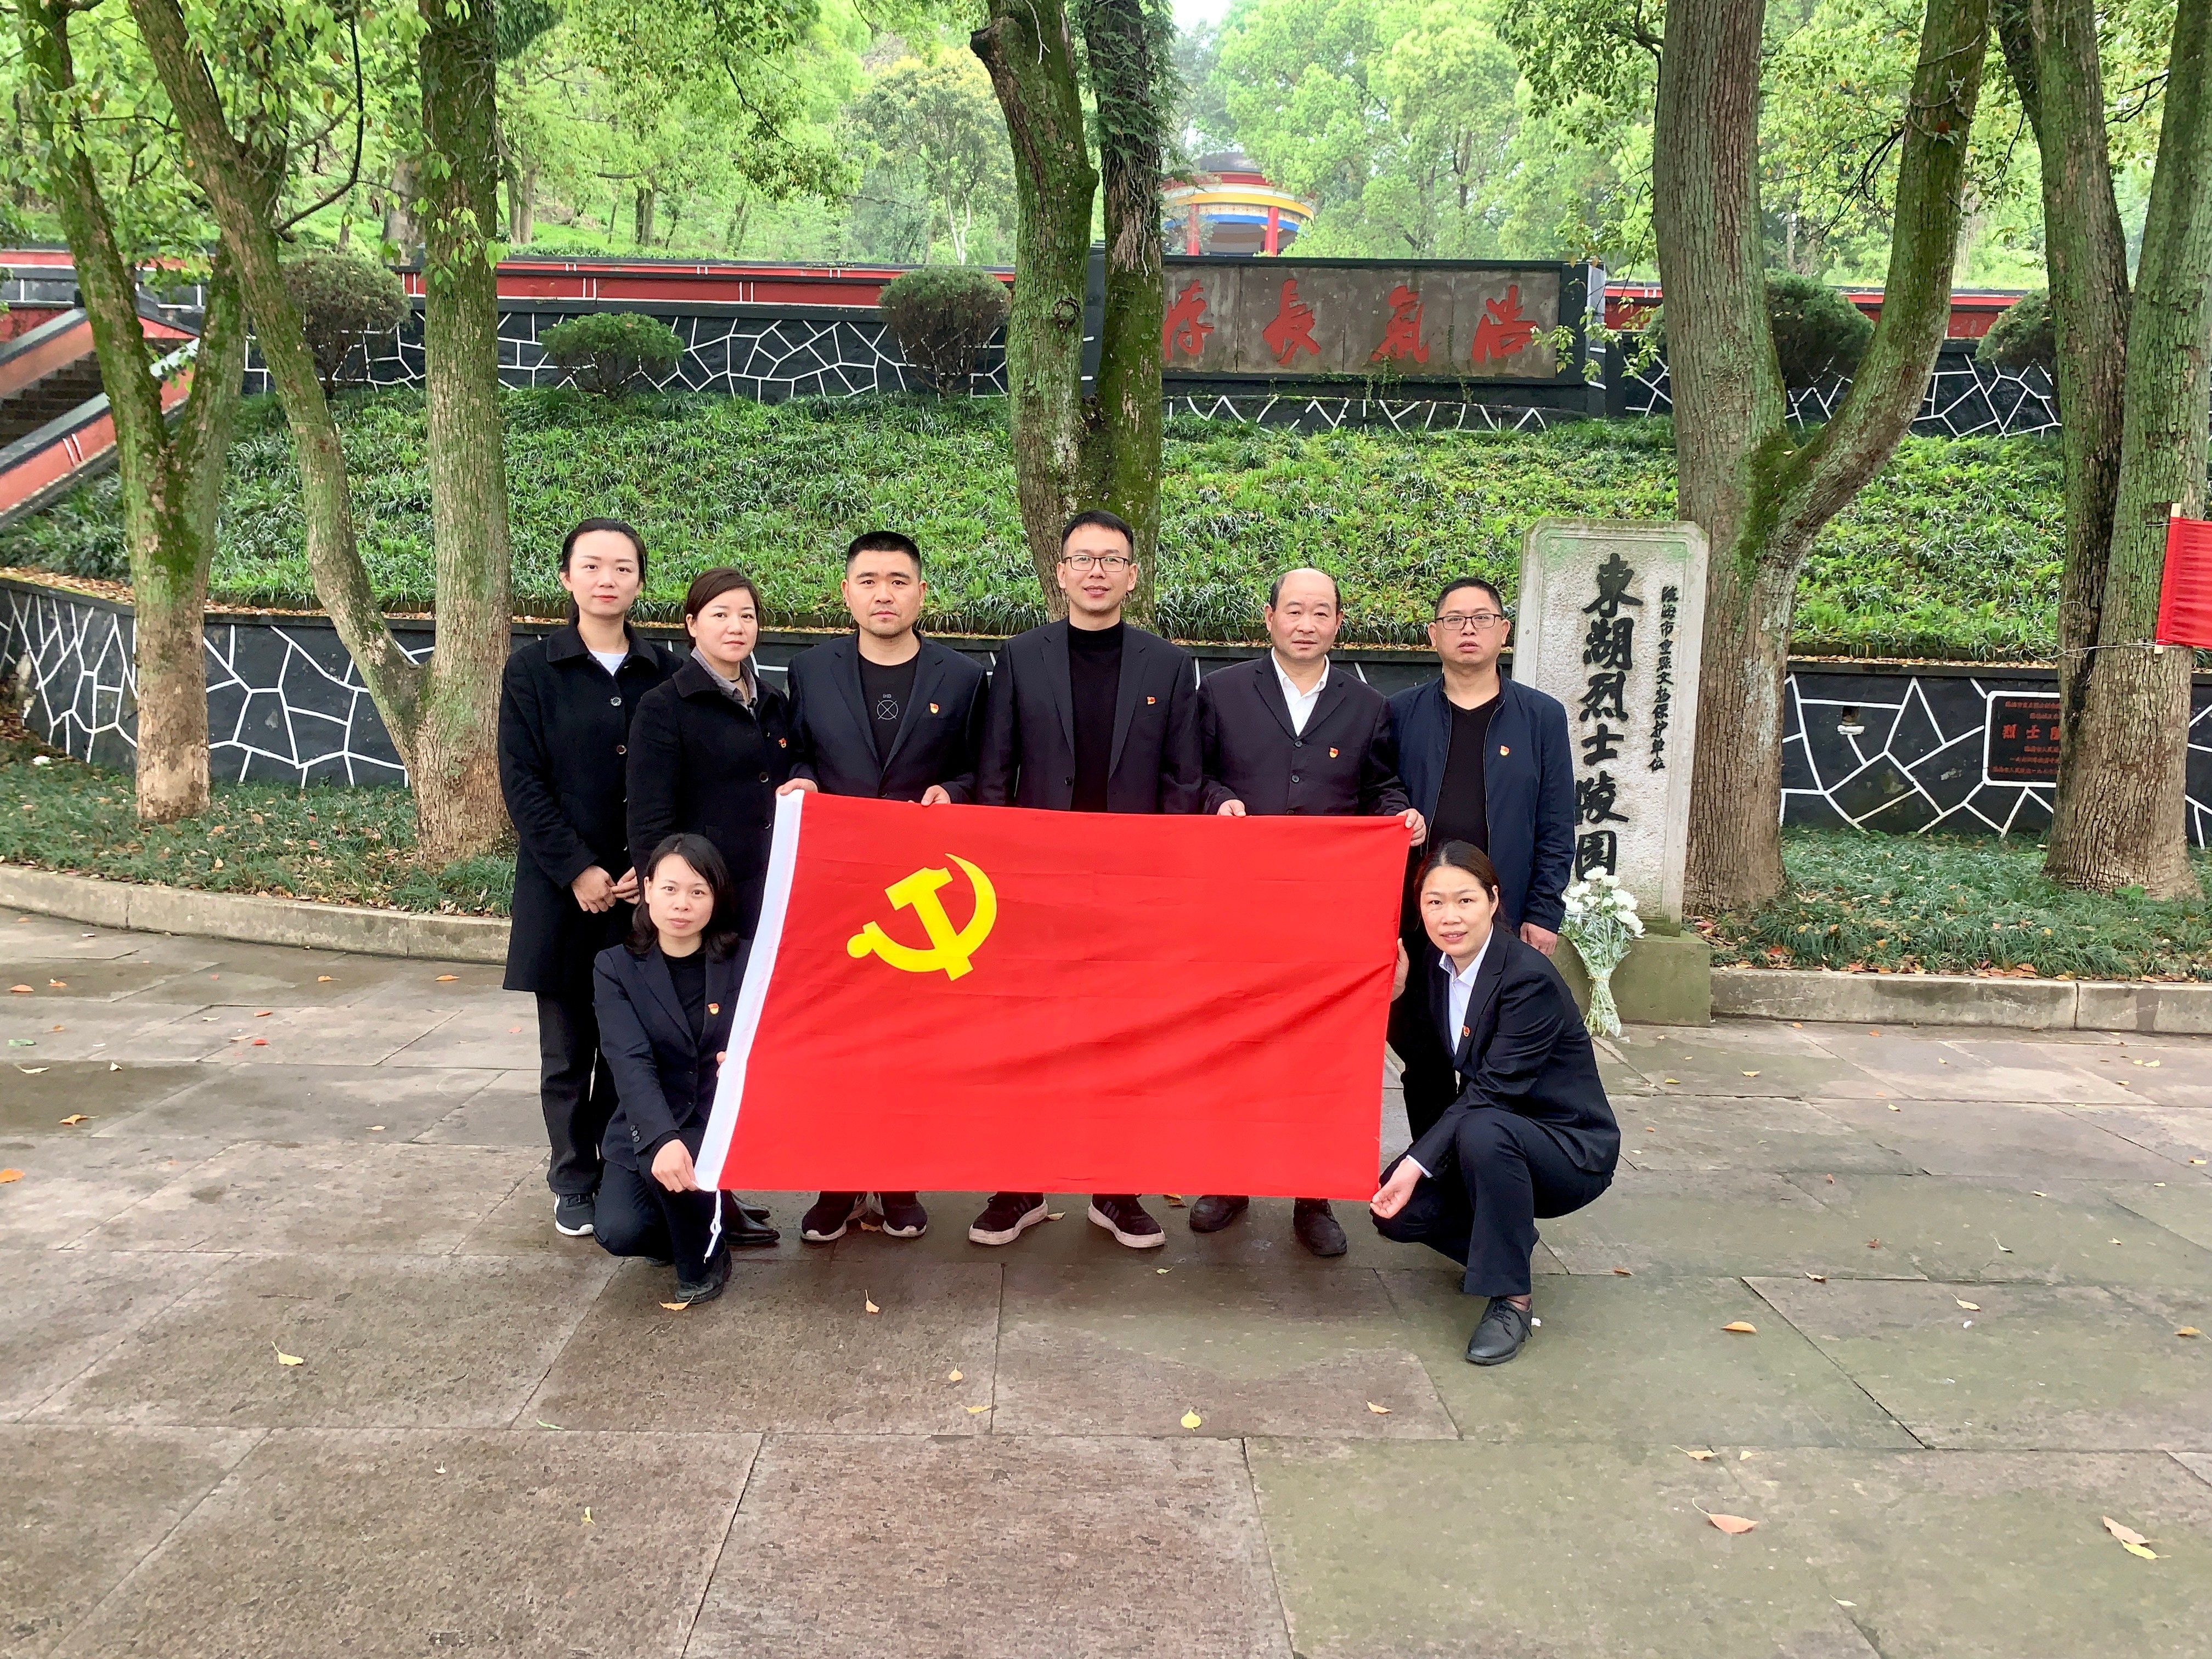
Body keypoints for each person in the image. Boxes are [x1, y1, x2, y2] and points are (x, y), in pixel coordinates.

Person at [971, 507, 1204, 1251]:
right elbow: (994, 774)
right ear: (1061, 572)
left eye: (1111, 560)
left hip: (1132, 891)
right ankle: (1019, 1186)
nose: (1096, 571)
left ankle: (1116, 1189)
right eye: (1083, 558)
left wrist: (1164, 882)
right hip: (1037, 889)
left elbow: (1183, 779)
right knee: (1029, 1038)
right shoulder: (1020, 658)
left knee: (1122, 1039)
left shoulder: (1168, 666)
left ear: (1133, 576)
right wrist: (1001, 875)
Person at [1192, 566, 1424, 1257]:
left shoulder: (1367, 705)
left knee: (1320, 1052)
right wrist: (1217, 801)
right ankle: (1227, 1180)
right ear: (1269, 618)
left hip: (1326, 913)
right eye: (1294, 610)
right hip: (1237, 907)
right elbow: (1191, 776)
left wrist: (1401, 816)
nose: (1306, 624)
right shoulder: (1222, 692)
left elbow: (1380, 787)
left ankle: (1313, 1194)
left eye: (1321, 612)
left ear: (1338, 624)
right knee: (1235, 1043)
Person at [777, 529, 990, 1245]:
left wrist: (953, 792)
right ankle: (836, 1183)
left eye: (899, 581)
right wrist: (804, 780)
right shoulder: (809, 670)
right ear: (846, 594)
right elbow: (799, 754)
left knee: (911, 1044)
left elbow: (981, 770)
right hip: (837, 889)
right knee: (836, 1040)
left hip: (924, 896)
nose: (884, 594)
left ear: (921, 593)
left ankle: (900, 1180)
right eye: (868, 581)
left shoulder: (964, 678)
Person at [1368, 842, 1618, 1365]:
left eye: (1465, 900)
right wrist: (1395, 995)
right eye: (1435, 902)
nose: (1450, 917)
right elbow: (1425, 1058)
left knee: (1482, 1128)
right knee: (1398, 1214)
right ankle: (1507, 1242)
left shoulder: (1527, 978)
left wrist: (1417, 1163)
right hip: (1488, 1138)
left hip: (1565, 1148)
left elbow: (1493, 1092)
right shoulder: (1437, 966)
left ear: (1493, 900)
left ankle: (1512, 1299)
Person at [498, 518, 678, 1241]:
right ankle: (573, 1176)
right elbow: (523, 782)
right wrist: (578, 868)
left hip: (644, 893)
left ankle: (619, 1170)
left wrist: (652, 862)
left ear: (640, 581)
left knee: (629, 1045)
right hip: (562, 893)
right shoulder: (533, 670)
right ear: (566, 577)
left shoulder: (663, 669)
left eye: (623, 567)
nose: (608, 579)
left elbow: (677, 774)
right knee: (569, 1051)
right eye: (593, 566)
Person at [1385, 577, 1573, 1144]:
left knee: (1495, 1056)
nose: (1468, 630)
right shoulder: (1401, 713)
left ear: (1503, 631)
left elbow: (1556, 823)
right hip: (1418, 917)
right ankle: (1431, 1169)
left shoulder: (1540, 717)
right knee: (1423, 1054)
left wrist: (1543, 911)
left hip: (1501, 915)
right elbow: (1379, 796)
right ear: (1433, 634)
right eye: (1455, 619)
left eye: (1482, 618)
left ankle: (1482, 1165)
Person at [594, 834, 779, 1305]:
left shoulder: (746, 960)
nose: (682, 904)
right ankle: (702, 1218)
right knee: (620, 1230)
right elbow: (629, 1061)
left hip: (716, 1120)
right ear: (648, 889)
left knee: (684, 1198)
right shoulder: (615, 967)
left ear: (716, 898)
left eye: (698, 891)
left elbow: (780, 1028)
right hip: (648, 1119)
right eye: (671, 889)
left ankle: (709, 1252)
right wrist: (661, 1138)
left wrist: (753, 1059)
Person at [627, 568, 793, 940]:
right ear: (692, 624)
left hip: (773, 891)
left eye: (747, 616)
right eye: (721, 614)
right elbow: (649, 819)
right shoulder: (664, 706)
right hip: (705, 895)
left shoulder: (772, 701)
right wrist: (667, 896)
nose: (736, 627)